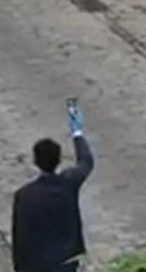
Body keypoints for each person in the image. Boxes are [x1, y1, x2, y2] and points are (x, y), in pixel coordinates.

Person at [11, 112, 95, 272]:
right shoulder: (68, 184)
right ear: (59, 159)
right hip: (65, 263)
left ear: (36, 161)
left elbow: (20, 238)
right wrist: (77, 133)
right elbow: (86, 161)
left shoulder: (24, 195)